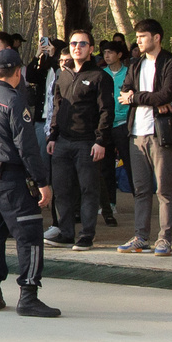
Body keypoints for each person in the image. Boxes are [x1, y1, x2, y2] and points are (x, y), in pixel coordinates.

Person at [0, 45, 58, 317]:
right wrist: (42, 182)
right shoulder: (13, 100)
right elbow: (27, 146)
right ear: (18, 72)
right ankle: (29, 295)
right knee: (30, 233)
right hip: (9, 177)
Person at [118, 20, 172, 256]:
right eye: (137, 36)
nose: (138, 41)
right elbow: (124, 93)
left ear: (157, 38)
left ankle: (164, 238)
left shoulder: (170, 63)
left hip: (160, 133)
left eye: (143, 36)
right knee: (141, 189)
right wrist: (150, 98)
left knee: (164, 189)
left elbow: (167, 93)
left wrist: (137, 97)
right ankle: (140, 236)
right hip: (136, 133)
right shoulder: (135, 65)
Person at [47, 30, 111, 250]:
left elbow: (106, 112)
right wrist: (53, 136)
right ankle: (66, 232)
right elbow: (57, 107)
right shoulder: (62, 74)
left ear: (91, 49)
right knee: (62, 189)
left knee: (88, 190)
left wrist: (100, 141)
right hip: (63, 141)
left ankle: (86, 235)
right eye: (73, 43)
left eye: (83, 44)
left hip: (88, 142)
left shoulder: (100, 76)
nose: (77, 47)